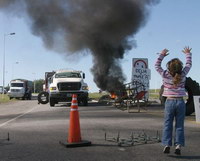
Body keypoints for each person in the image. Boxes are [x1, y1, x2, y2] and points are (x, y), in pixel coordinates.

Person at [155, 46, 192, 155]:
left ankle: (167, 145)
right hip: (180, 102)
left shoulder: (165, 74)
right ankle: (178, 146)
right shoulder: (183, 74)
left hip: (169, 102)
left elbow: (157, 65)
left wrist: (162, 55)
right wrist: (187, 54)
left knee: (167, 124)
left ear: (169, 68)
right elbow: (189, 64)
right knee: (179, 125)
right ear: (180, 67)